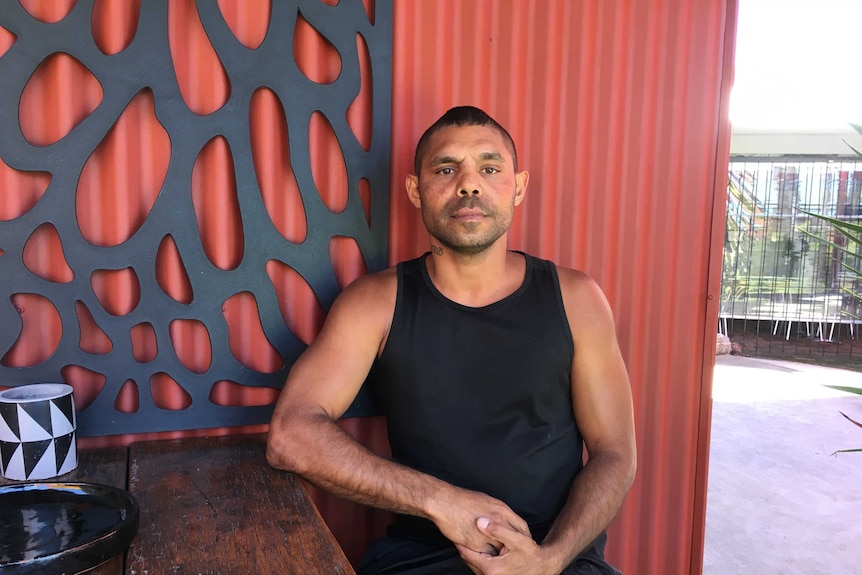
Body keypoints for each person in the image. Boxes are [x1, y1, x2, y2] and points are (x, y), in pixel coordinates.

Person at [266, 106, 637, 575]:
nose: (469, 184)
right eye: (446, 169)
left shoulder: (576, 299)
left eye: (489, 167)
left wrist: (550, 559)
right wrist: (441, 502)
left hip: (558, 559)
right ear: (415, 190)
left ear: (518, 187)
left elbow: (616, 453)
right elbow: (291, 435)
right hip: (421, 559)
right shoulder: (376, 303)